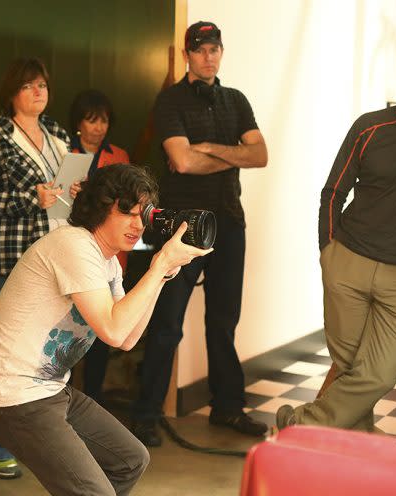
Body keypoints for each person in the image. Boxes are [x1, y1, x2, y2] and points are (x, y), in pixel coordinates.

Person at [0, 164, 212, 495]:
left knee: (130, 459)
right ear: (101, 207)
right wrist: (158, 266)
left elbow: (127, 338)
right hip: (14, 396)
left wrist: (166, 269)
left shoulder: (108, 262)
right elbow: (112, 330)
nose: (137, 224)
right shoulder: (73, 244)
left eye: (143, 215)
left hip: (50, 391)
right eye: (127, 212)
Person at [131, 21, 269, 446]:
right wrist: (231, 155)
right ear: (187, 54)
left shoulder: (236, 100)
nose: (208, 56)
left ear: (221, 53)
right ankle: (145, 416)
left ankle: (227, 408)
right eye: (200, 50)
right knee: (168, 323)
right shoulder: (170, 101)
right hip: (183, 227)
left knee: (224, 320)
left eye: (215, 49)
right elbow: (182, 162)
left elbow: (260, 154)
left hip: (229, 221)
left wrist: (206, 147)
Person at [276, 46, 396, 431]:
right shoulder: (369, 126)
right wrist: (328, 250)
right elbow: (334, 191)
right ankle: (351, 445)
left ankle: (300, 422)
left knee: (378, 374)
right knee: (349, 368)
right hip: (348, 261)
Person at [0, 57, 70, 479]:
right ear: (12, 92)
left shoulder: (58, 134)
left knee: (43, 357)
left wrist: (75, 191)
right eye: (29, 86)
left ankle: (38, 439)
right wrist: (28, 198)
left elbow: (63, 197)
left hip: (51, 263)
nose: (38, 92)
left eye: (43, 85)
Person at [69, 89, 130, 403]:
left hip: (110, 254)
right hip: (75, 252)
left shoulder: (118, 154)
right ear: (79, 123)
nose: (98, 127)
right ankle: (64, 393)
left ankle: (93, 396)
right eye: (91, 120)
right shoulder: (64, 151)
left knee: (103, 331)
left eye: (103, 120)